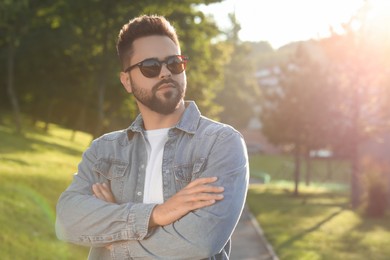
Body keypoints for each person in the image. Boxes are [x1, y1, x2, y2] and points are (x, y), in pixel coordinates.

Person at [55, 14, 249, 260]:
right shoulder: (104, 150)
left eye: (174, 63)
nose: (166, 73)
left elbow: (200, 241)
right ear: (127, 81)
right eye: (150, 67)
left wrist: (115, 241)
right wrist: (157, 214)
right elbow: (67, 220)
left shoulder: (219, 143)